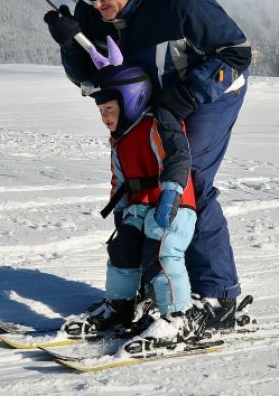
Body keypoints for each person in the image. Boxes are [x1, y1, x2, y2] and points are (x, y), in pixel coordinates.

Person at [44, 0, 252, 331]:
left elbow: (237, 54)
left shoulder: (180, 2)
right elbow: (92, 81)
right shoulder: (93, 13)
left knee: (187, 179)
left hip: (209, 95)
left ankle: (218, 296)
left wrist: (188, 95)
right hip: (150, 102)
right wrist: (71, 46)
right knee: (140, 183)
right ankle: (144, 289)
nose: (93, 2)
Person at [66, 36, 206, 346]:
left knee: (160, 253)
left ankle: (178, 318)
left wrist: (169, 197)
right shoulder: (120, 138)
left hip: (173, 206)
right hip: (139, 207)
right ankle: (120, 306)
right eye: (100, 110)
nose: (104, 116)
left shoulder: (157, 122)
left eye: (108, 108)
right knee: (122, 249)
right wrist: (120, 213)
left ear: (130, 99)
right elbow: (119, 177)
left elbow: (178, 158)